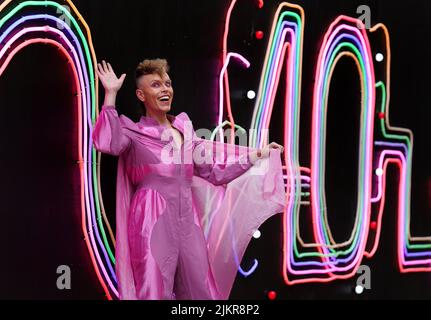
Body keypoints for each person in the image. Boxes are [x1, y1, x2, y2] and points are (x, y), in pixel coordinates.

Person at [92, 59, 286, 300]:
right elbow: (106, 143)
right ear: (141, 95)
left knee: (201, 290)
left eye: (167, 83)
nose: (165, 89)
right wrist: (110, 95)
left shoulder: (185, 130)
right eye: (156, 85)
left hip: (187, 221)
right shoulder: (133, 132)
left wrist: (257, 154)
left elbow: (215, 172)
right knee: (152, 290)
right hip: (150, 219)